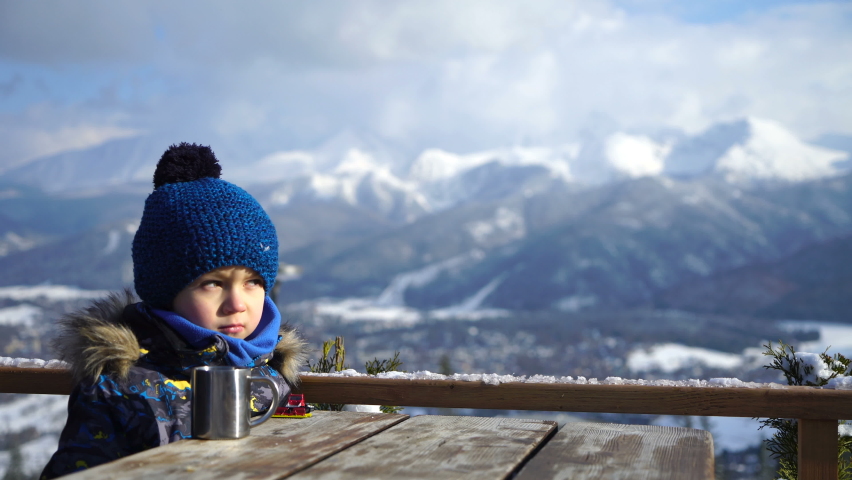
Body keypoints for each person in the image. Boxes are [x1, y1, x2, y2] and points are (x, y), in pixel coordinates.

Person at [41, 143, 306, 479]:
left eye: (252, 282)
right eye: (213, 283)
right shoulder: (119, 387)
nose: (237, 304)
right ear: (166, 292)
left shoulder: (268, 371)